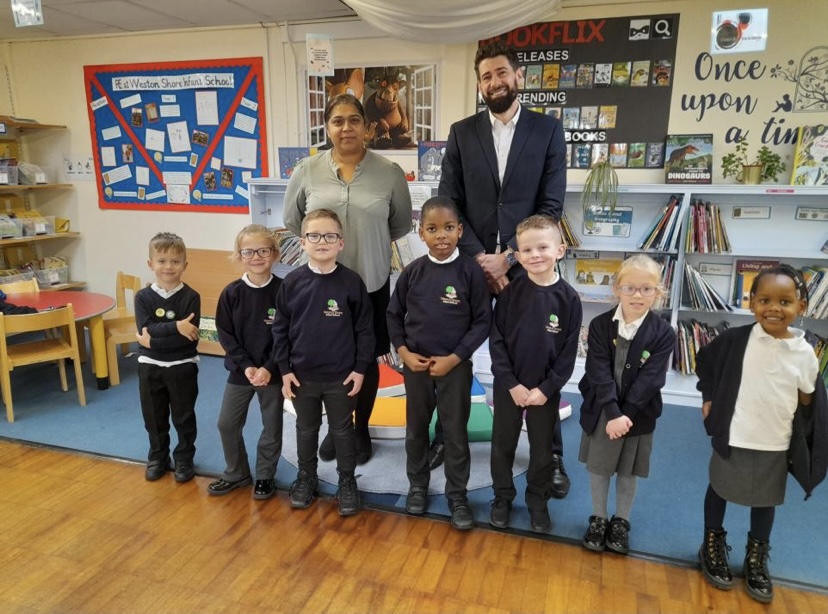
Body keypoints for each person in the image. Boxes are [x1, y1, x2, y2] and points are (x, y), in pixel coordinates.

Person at [437, 41, 569, 491]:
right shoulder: (461, 132)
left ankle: (552, 455)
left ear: (519, 77)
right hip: (472, 263)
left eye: (501, 73)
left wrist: (509, 256)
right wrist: (480, 257)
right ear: (479, 85)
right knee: (455, 352)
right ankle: (444, 436)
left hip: (527, 264)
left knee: (539, 355)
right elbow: (449, 201)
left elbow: (551, 206)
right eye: (486, 76)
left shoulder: (548, 130)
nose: (494, 82)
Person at [284, 93, 412, 466]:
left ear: (367, 126)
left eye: (354, 120)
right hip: (319, 285)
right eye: (337, 121)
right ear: (327, 127)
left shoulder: (389, 172)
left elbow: (399, 224)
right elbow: (294, 221)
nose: (346, 128)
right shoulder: (306, 170)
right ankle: (336, 426)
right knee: (326, 356)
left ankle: (360, 429)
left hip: (370, 283)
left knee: (366, 359)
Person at [695, 265, 824, 603]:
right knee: (719, 487)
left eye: (785, 301)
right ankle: (711, 543)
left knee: (766, 499)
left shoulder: (804, 353)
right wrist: (709, 397)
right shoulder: (735, 340)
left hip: (775, 440)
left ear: (801, 306)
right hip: (734, 434)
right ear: (751, 303)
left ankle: (756, 556)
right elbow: (704, 360)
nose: (774, 308)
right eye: (765, 300)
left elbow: (808, 398)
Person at [386, 196, 491, 531]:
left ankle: (457, 495)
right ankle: (417, 486)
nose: (441, 235)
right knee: (416, 429)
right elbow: (393, 316)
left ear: (460, 230)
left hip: (454, 367)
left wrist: (455, 358)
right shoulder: (412, 272)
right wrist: (403, 353)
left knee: (455, 433)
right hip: (415, 367)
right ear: (421, 233)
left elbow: (482, 322)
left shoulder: (471, 272)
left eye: (448, 227)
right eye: (432, 229)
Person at [272, 209, 374, 517]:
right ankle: (307, 477)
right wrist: (285, 370)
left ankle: (347, 481)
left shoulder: (352, 283)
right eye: (314, 236)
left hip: (341, 376)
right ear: (303, 242)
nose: (322, 241)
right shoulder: (291, 283)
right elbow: (280, 330)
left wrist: (360, 369)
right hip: (302, 376)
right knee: (306, 429)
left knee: (342, 430)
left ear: (341, 243)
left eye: (330, 236)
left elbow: (365, 330)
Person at [488, 215, 581, 533]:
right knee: (503, 444)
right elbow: (497, 343)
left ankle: (538, 501)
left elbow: (567, 355)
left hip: (545, 390)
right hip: (509, 387)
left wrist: (546, 389)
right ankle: (502, 496)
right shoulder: (509, 294)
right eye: (526, 250)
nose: (535, 255)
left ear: (560, 250)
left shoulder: (569, 299)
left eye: (543, 247)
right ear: (517, 255)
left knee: (542, 451)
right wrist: (510, 384)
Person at [577, 255, 676, 555]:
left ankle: (621, 520)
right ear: (617, 289)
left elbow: (651, 380)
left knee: (628, 471)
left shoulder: (664, 333)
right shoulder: (599, 325)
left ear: (658, 292)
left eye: (647, 289)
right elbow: (598, 371)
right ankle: (599, 517)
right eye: (629, 288)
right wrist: (612, 412)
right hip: (603, 411)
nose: (637, 295)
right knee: (599, 467)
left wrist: (626, 415)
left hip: (637, 416)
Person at [207, 225, 284, 500]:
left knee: (271, 427)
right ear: (239, 256)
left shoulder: (284, 291)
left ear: (274, 253)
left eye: (263, 251)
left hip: (273, 372)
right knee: (227, 423)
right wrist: (247, 366)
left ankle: (265, 476)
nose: (256, 257)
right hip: (242, 372)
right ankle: (237, 472)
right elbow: (225, 334)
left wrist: (268, 368)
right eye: (248, 251)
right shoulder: (231, 293)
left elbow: (287, 335)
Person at [134, 232, 201, 483]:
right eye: (162, 261)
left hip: (182, 365)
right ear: (150, 264)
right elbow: (146, 328)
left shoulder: (191, 297)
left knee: (184, 417)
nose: (168, 267)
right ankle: (158, 456)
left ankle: (184, 458)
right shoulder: (143, 297)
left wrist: (153, 341)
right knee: (154, 417)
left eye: (175, 261)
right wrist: (176, 327)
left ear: (185, 264)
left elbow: (188, 339)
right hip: (150, 366)